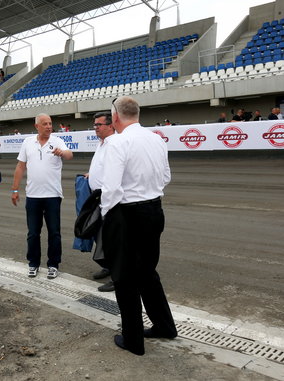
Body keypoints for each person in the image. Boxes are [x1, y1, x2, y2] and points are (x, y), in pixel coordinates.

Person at [100, 96, 177, 356]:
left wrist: (105, 216)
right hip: (154, 209)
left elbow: (110, 188)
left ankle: (133, 340)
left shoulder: (116, 142)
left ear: (115, 117)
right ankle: (165, 325)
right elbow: (166, 176)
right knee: (147, 272)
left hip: (127, 214)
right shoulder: (156, 139)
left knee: (124, 278)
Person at [11, 113, 73, 279]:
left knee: (54, 232)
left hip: (53, 195)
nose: (48, 126)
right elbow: (20, 166)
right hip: (33, 196)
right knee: (33, 233)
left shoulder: (57, 141)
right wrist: (15, 189)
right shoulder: (27, 142)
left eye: (50, 123)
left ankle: (53, 264)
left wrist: (62, 153)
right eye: (44, 124)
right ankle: (33, 263)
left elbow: (69, 155)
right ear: (36, 126)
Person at [86, 111, 116, 292]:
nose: (95, 128)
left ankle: (117, 275)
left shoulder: (114, 144)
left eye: (98, 125)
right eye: (94, 125)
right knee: (102, 237)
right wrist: (91, 175)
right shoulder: (101, 143)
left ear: (110, 126)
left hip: (109, 200)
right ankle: (108, 266)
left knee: (112, 239)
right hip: (98, 198)